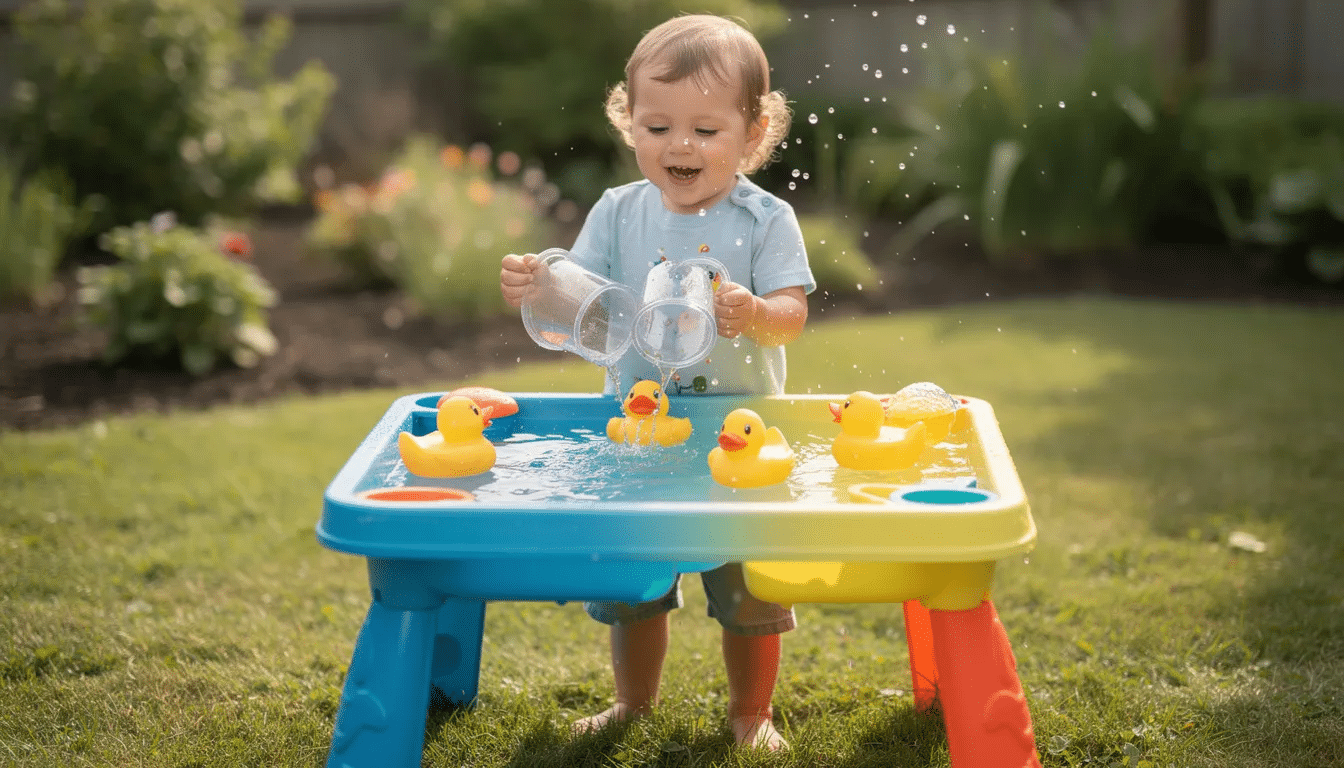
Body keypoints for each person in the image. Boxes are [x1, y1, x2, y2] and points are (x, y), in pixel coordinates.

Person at [499, 14, 814, 750]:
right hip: (636, 427)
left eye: (706, 130)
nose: (680, 145)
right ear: (628, 122)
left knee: (748, 587)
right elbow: (579, 299)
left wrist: (755, 312)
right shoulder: (619, 211)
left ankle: (751, 716)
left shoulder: (766, 219)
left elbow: (794, 314)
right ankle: (633, 703)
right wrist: (536, 283)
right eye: (658, 125)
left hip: (739, 443)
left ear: (755, 132)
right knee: (634, 584)